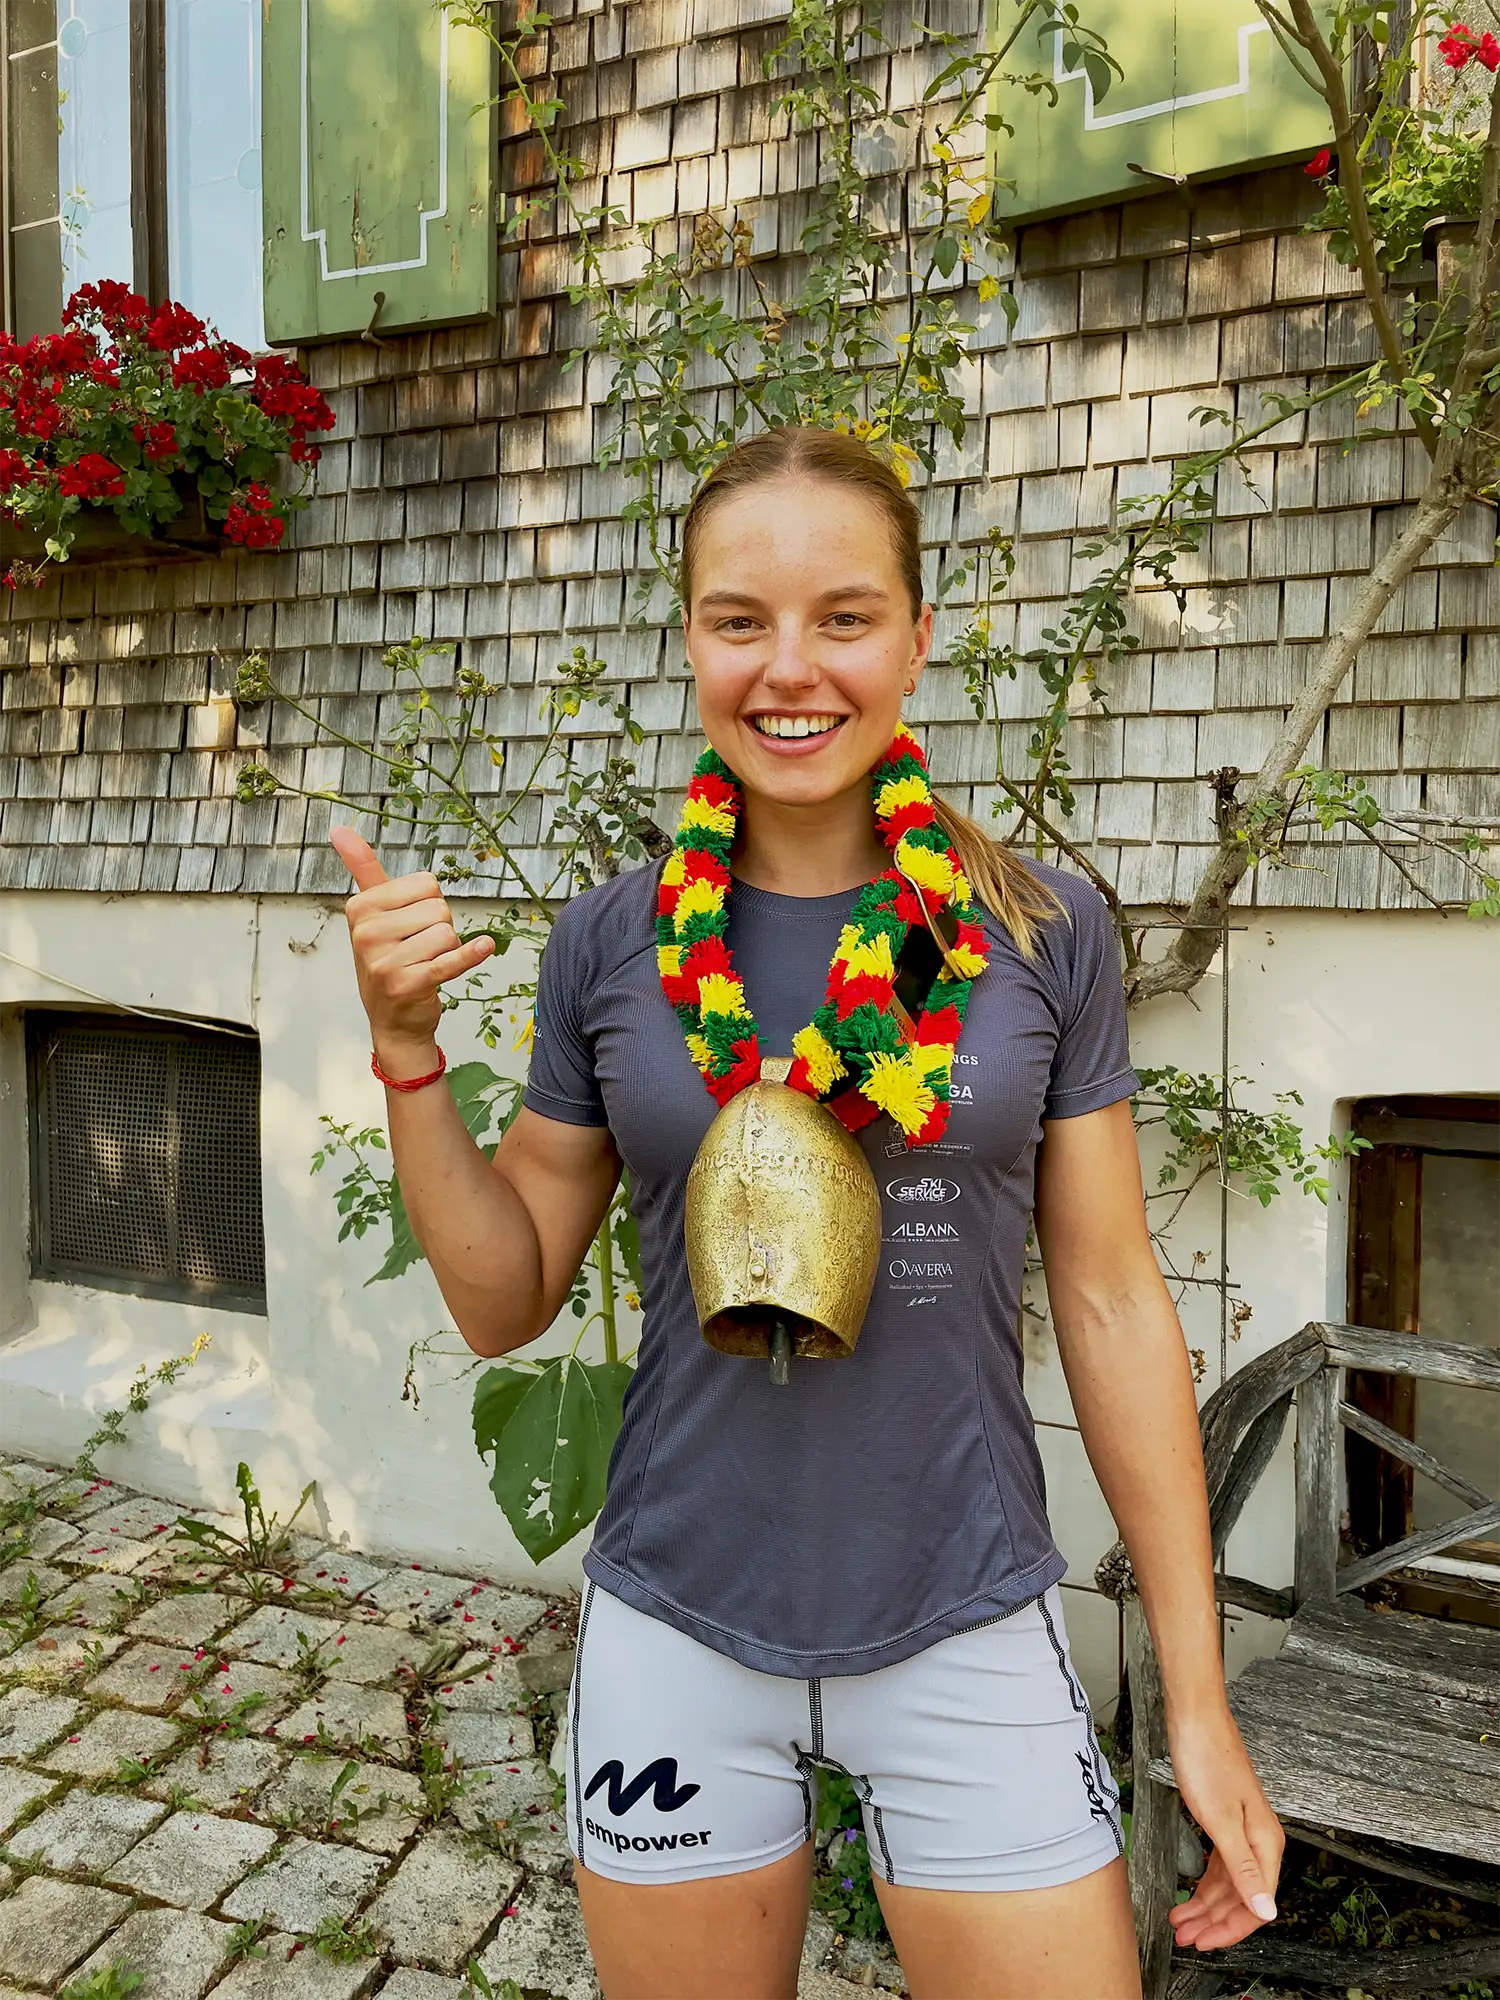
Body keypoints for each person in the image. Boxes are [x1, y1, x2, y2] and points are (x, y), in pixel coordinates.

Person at [331, 426, 1284, 2000]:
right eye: (740, 620)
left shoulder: (1040, 932)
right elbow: (504, 1300)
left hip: (966, 1608)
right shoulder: (613, 941)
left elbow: (1113, 1299)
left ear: (917, 637)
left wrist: (1197, 1692)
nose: (791, 668)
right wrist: (408, 1055)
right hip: (679, 1624)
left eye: (844, 617)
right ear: (690, 640)